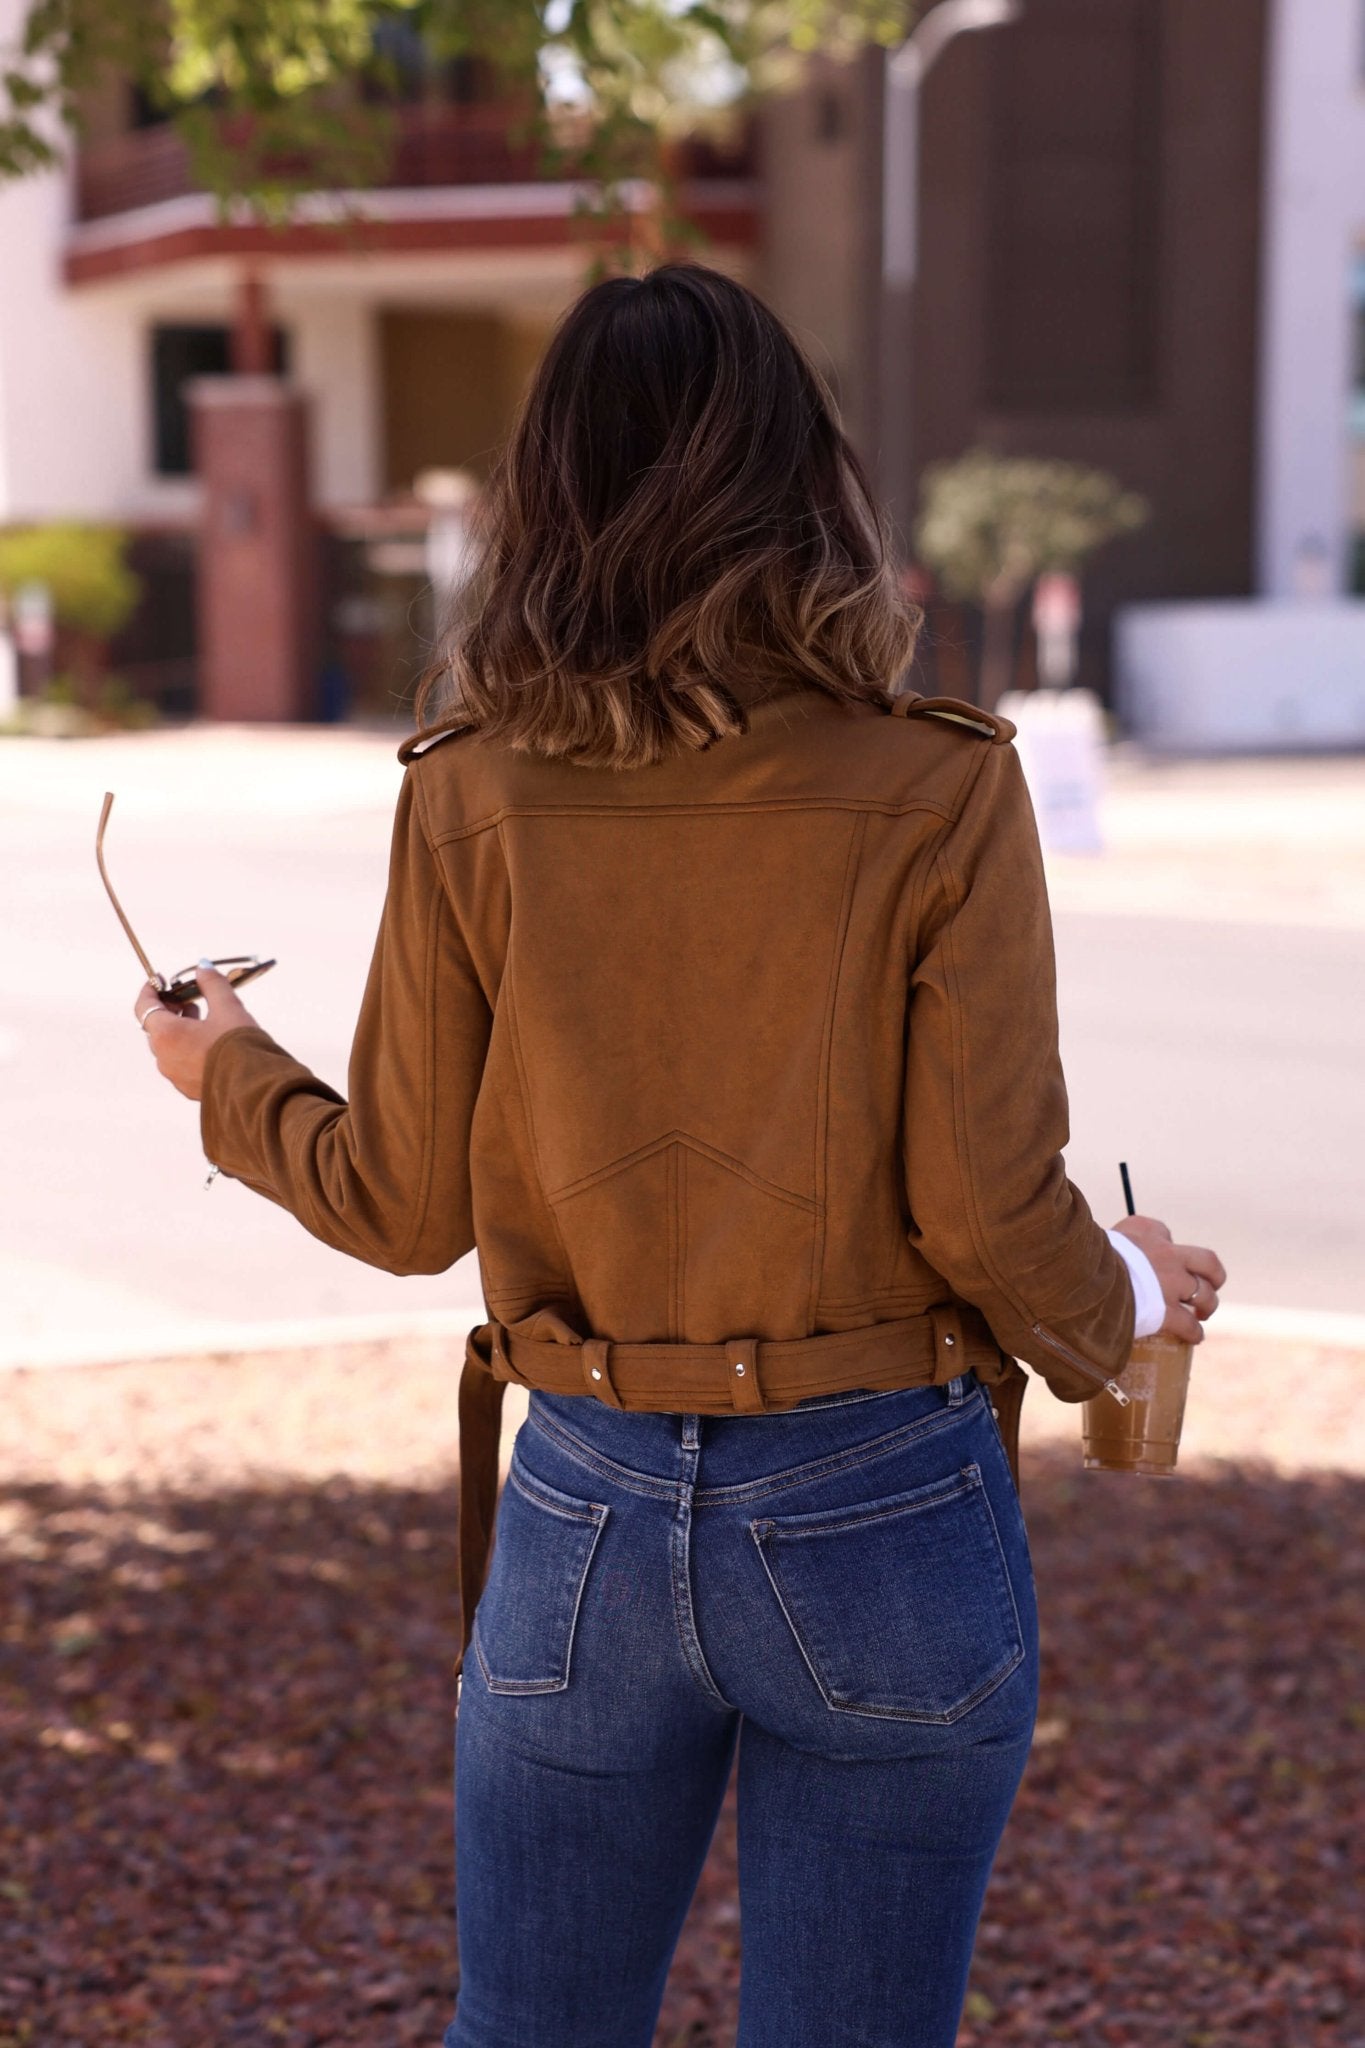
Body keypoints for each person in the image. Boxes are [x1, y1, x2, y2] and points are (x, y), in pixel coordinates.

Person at [133, 264, 1226, 2048]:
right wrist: (1126, 1288)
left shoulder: (468, 783)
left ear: (542, 501)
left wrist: (226, 1068)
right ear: (809, 484)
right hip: (883, 1501)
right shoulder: (941, 781)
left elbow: (400, 1205)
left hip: (585, 1506)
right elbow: (983, 1204)